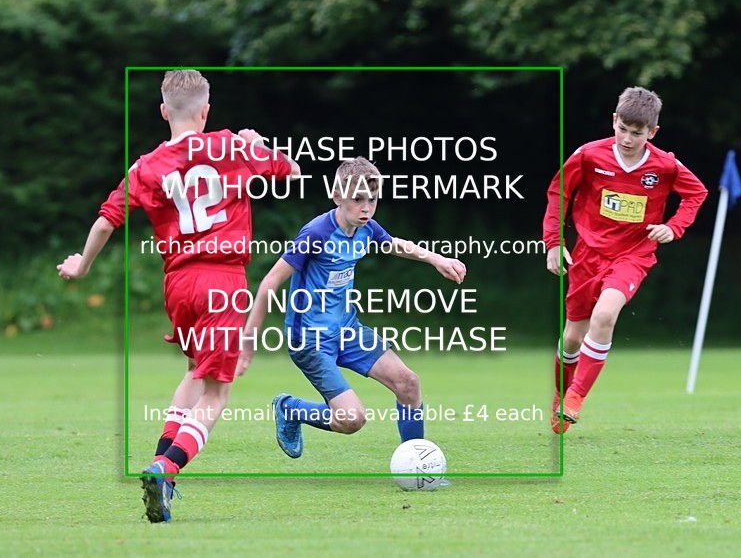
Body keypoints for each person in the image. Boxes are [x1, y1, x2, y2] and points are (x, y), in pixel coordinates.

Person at [56, 70, 300, 522]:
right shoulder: (233, 146)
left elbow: (107, 220)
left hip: (178, 285)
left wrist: (81, 265)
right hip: (223, 281)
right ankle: (165, 467)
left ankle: (163, 472)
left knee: (193, 371)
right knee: (217, 394)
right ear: (206, 111)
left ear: (164, 111)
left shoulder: (146, 165)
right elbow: (292, 171)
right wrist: (260, 141)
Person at [235, 157, 466, 458]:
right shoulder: (315, 233)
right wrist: (248, 344)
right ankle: (290, 408)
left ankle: (415, 463)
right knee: (351, 420)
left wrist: (437, 259)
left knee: (409, 383)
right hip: (310, 340)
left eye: (372, 199)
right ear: (337, 196)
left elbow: (394, 243)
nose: (366, 208)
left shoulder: (366, 228)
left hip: (347, 330)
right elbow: (268, 284)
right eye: (357, 199)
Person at [542, 86, 707, 433]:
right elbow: (560, 192)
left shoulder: (665, 165)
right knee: (572, 336)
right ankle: (561, 395)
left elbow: (697, 193)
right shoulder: (588, 156)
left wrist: (673, 227)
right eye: (623, 129)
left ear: (652, 133)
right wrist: (554, 243)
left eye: (637, 133)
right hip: (587, 254)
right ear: (614, 120)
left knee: (605, 315)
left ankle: (575, 398)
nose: (628, 139)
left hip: (633, 255)